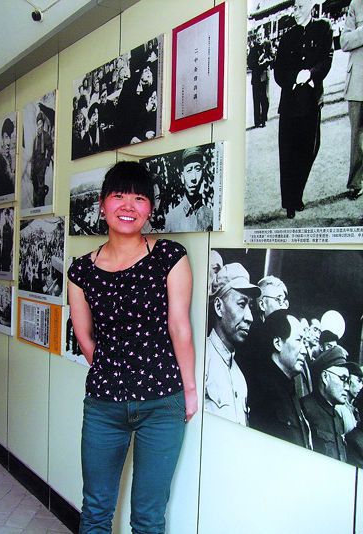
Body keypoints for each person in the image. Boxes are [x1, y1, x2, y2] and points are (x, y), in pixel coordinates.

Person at [67, 161, 197, 533]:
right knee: (96, 509)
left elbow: (180, 327)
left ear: (150, 209)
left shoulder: (169, 257)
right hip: (104, 406)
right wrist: (113, 371)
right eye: (119, 196)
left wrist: (188, 391)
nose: (128, 206)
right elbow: (85, 336)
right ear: (102, 205)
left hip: (163, 404)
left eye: (139, 198)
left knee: (149, 515)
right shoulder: (81, 271)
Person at [274, 0, 333, 219]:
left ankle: (296, 193)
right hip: (289, 103)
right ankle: (290, 202)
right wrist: (293, 78)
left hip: (311, 100)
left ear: (310, 6)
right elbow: (278, 71)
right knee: (288, 153)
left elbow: (326, 60)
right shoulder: (287, 36)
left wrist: (310, 73)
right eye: (294, 7)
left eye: (299, 7)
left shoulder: (323, 28)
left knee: (309, 150)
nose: (295, 12)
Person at [205, 262, 261, 425]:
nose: (250, 317)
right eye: (242, 304)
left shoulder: (239, 377)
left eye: (250, 306)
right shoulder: (200, 361)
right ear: (218, 306)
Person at [248, 310, 311, 448]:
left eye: (304, 342)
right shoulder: (262, 392)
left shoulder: (291, 391)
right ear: (277, 343)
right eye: (298, 340)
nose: (305, 350)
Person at [301, 345, 349, 462]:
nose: (347, 387)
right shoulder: (305, 408)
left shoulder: (337, 417)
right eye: (343, 379)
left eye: (348, 381)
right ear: (325, 377)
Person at [340, 0, 363, 200]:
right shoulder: (356, 4)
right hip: (358, 83)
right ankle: (356, 182)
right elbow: (344, 41)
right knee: (357, 136)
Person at [164, 147, 213, 232]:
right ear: (182, 177)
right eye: (189, 170)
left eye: (197, 169)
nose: (194, 178)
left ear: (203, 174)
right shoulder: (171, 218)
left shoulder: (211, 216)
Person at [247, 26, 274, 128]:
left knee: (265, 99)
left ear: (263, 35)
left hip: (265, 75)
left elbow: (272, 57)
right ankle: (257, 121)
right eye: (257, 36)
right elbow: (249, 63)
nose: (259, 38)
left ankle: (263, 119)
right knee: (256, 99)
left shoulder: (268, 44)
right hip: (256, 77)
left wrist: (265, 61)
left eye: (260, 35)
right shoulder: (253, 48)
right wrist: (256, 63)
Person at [31, 112, 53, 207]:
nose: (39, 126)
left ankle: (41, 207)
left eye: (40, 123)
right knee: (35, 190)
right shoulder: (35, 139)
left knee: (40, 190)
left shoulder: (46, 136)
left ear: (43, 124)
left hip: (42, 167)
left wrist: (46, 164)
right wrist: (32, 171)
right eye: (38, 124)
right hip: (35, 168)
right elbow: (33, 156)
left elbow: (50, 150)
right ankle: (36, 207)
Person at [336, 362, 363, 433]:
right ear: (348, 380)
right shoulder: (339, 408)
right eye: (359, 381)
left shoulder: (352, 409)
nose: (361, 386)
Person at [0, 117, 15, 198]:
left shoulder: (10, 159)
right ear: (2, 138)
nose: (8, 142)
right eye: (6, 137)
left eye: (10, 137)